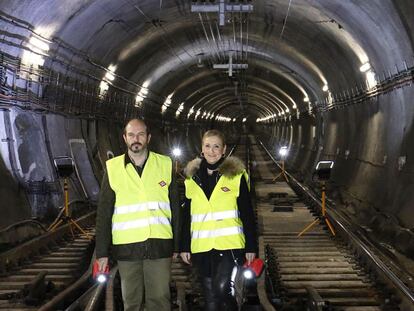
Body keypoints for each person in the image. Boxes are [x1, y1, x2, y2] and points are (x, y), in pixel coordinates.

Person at [95, 118, 180, 311]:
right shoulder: (113, 168)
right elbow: (104, 213)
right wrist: (102, 253)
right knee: (131, 301)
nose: (136, 139)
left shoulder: (165, 164)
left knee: (159, 300)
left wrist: (177, 244)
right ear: (124, 138)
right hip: (127, 248)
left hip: (159, 244)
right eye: (131, 135)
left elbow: (176, 208)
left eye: (141, 134)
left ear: (148, 138)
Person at [180, 129, 257, 311]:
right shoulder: (192, 178)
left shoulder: (236, 176)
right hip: (202, 246)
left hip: (228, 246)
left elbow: (247, 213)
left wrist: (251, 246)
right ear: (201, 148)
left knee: (222, 289)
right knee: (210, 299)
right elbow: (187, 216)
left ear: (224, 150)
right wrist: (184, 245)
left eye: (216, 147)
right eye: (207, 146)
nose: (211, 151)